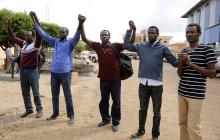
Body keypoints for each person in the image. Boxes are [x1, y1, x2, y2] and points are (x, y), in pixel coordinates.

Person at [79, 16, 135, 132]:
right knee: (104, 100)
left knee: (116, 102)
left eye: (106, 35)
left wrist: (132, 30)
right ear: (100, 37)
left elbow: (129, 44)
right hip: (103, 80)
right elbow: (84, 38)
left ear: (109, 37)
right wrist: (81, 23)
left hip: (115, 80)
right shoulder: (97, 46)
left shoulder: (116, 46)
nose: (104, 36)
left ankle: (115, 122)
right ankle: (105, 119)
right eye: (102, 35)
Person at [124, 22, 178, 140]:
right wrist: (131, 30)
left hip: (157, 86)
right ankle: (140, 131)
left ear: (157, 34)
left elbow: (174, 63)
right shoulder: (142, 46)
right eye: (149, 33)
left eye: (153, 33)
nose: (150, 34)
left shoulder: (163, 48)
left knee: (156, 113)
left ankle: (155, 136)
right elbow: (126, 45)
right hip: (143, 84)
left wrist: (184, 60)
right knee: (142, 110)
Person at [30, 11, 83, 125]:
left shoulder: (70, 43)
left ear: (67, 33)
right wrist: (34, 20)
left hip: (65, 73)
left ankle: (71, 116)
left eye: (63, 31)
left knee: (67, 96)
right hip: (54, 73)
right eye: (59, 31)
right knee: (54, 96)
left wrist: (80, 23)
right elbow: (43, 34)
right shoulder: (55, 42)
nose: (61, 32)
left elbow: (77, 36)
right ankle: (55, 114)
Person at [177, 23, 216, 140]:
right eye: (187, 32)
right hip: (182, 92)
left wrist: (190, 64)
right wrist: (181, 63)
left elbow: (212, 73)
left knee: (193, 126)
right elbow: (180, 74)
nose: (189, 34)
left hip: (196, 95)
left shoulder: (207, 50)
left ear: (199, 33)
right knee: (182, 123)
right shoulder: (184, 50)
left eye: (192, 32)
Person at [7, 17, 43, 118]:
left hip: (32, 71)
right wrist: (9, 26)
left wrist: (36, 20)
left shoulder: (36, 44)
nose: (26, 37)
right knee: (25, 92)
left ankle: (39, 110)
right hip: (23, 71)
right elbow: (13, 37)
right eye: (25, 35)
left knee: (35, 92)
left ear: (33, 36)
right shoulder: (23, 43)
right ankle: (29, 109)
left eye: (28, 36)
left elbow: (40, 34)